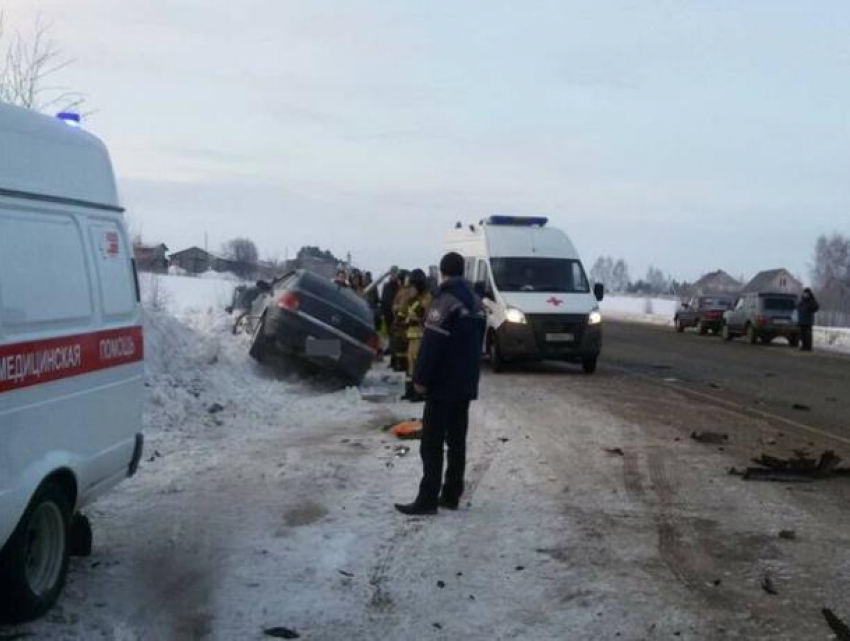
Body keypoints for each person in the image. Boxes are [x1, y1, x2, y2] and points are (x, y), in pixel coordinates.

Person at [395, 252, 487, 516]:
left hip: (443, 383)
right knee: (457, 441)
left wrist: (420, 379)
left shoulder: (444, 301)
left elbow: (432, 343)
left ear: (444, 272)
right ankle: (451, 494)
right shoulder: (477, 302)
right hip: (466, 383)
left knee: (432, 443)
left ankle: (427, 499)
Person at [402, 269, 432, 399]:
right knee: (410, 360)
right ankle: (410, 389)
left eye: (413, 286)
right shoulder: (412, 298)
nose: (410, 289)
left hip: (421, 334)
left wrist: (415, 317)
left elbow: (423, 315)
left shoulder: (426, 298)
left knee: (417, 361)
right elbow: (404, 312)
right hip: (412, 334)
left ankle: (419, 392)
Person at [797, 288, 819, 352]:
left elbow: (816, 307)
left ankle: (808, 346)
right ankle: (803, 346)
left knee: (808, 335)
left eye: (806, 293)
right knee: (802, 334)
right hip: (802, 320)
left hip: (808, 321)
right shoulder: (802, 301)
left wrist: (810, 308)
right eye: (804, 293)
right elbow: (798, 307)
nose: (805, 295)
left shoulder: (812, 301)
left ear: (809, 294)